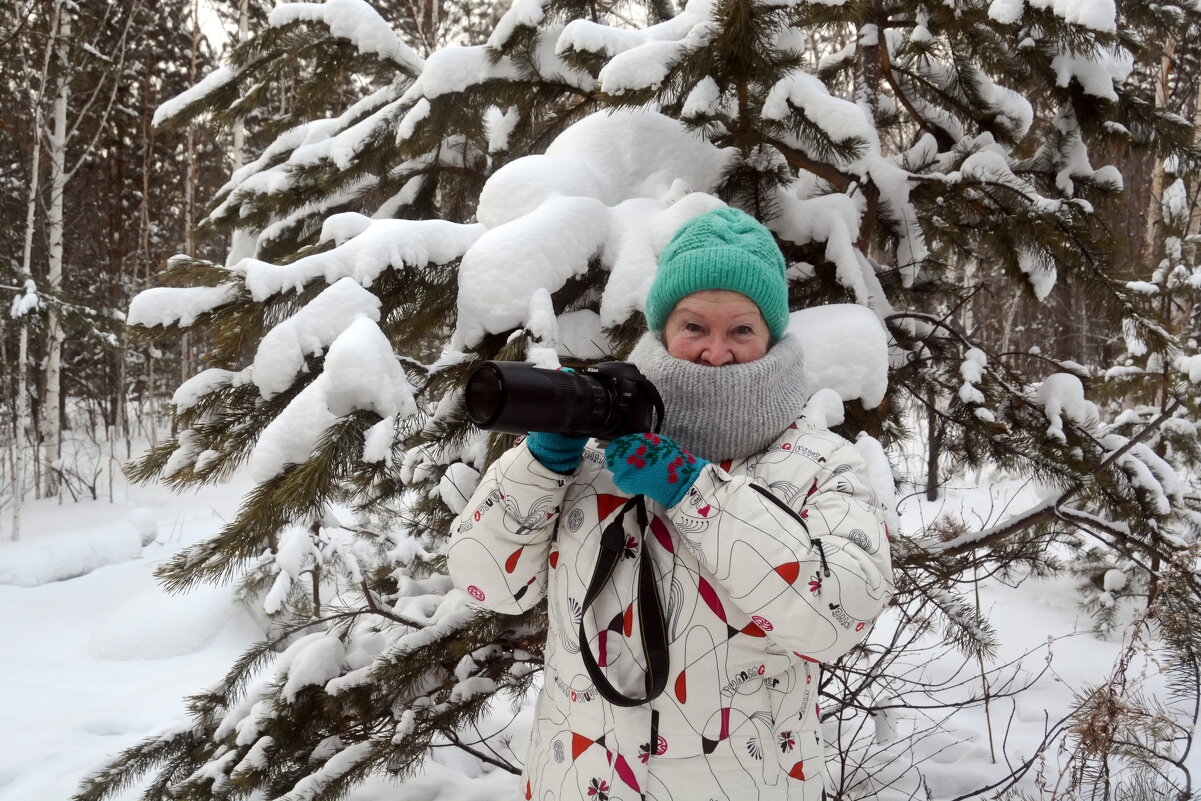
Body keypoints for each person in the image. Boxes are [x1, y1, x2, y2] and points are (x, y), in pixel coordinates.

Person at [448, 206, 894, 801]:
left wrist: (695, 492)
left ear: (770, 335)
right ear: (662, 330)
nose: (716, 351)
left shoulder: (817, 463)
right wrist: (539, 467)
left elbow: (841, 616)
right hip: (579, 780)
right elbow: (487, 586)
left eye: (740, 329)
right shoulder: (594, 453)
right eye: (694, 327)